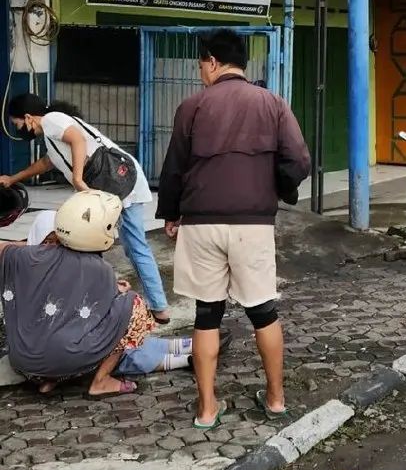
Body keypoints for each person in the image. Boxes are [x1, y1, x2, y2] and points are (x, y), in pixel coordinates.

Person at [156, 29, 311, 431]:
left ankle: (207, 409)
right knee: (263, 311)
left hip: (201, 224)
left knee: (206, 314)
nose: (200, 73)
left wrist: (170, 214)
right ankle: (276, 400)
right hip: (252, 224)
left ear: (210, 61)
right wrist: (274, 188)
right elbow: (299, 160)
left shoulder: (192, 107)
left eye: (200, 66)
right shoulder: (273, 103)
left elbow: (174, 168)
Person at [1, 194, 192, 398]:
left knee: (54, 322)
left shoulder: (17, 258)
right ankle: (101, 381)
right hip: (66, 359)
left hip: (22, 362)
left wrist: (27, 246)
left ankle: (50, 379)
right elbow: (105, 312)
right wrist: (120, 291)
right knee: (133, 304)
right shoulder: (97, 267)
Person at [2, 94, 171, 323]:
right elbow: (47, 163)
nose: (20, 129)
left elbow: (78, 140)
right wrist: (13, 178)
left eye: (18, 124)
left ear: (29, 117)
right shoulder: (52, 133)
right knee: (88, 243)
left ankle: (159, 308)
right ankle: (94, 301)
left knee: (132, 246)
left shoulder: (52, 120)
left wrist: (78, 180)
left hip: (120, 185)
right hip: (110, 187)